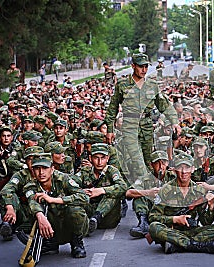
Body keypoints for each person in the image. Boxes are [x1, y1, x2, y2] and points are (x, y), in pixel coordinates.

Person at [104, 53, 179, 182]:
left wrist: (174, 122)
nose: (144, 70)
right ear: (133, 66)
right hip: (129, 125)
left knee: (148, 160)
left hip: (147, 126)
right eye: (140, 67)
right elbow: (113, 108)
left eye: (146, 67)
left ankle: (147, 192)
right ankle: (138, 189)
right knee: (136, 160)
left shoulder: (152, 85)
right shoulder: (122, 84)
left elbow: (164, 105)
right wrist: (110, 129)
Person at [148, 152, 214, 254]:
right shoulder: (165, 190)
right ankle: (196, 245)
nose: (183, 171)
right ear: (174, 170)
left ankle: (178, 245)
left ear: (193, 169)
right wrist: (174, 219)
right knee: (154, 227)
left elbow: (206, 222)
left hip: (193, 231)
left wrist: (211, 206)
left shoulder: (199, 191)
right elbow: (153, 217)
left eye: (187, 167)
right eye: (180, 167)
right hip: (172, 231)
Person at [23, 152, 89, 258]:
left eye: (45, 168)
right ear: (33, 171)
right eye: (37, 168)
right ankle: (49, 243)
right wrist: (40, 217)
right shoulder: (30, 186)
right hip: (49, 227)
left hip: (69, 225)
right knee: (33, 212)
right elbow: (32, 202)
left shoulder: (63, 179)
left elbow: (84, 197)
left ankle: (76, 242)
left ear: (52, 169)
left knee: (75, 210)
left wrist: (54, 200)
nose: (41, 172)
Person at [75, 143, 127, 234]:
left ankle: (96, 217)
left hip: (109, 217)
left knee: (112, 193)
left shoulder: (111, 171)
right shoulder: (85, 172)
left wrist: (101, 190)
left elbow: (123, 187)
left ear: (107, 158)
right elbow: (70, 184)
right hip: (90, 213)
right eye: (96, 158)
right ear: (90, 159)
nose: (99, 162)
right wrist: (82, 191)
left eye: (102, 158)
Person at [126, 150, 176, 238]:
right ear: (151, 165)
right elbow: (129, 193)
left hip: (168, 210)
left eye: (163, 163)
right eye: (157, 163)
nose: (161, 167)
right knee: (139, 196)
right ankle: (143, 223)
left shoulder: (173, 177)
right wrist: (148, 192)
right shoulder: (145, 178)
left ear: (167, 163)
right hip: (151, 209)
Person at [0, 146, 43, 241]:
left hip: (42, 209)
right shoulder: (21, 175)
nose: (32, 162)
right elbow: (6, 190)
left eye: (35, 158)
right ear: (25, 161)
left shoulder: (47, 173)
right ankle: (8, 224)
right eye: (29, 159)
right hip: (24, 211)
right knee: (10, 196)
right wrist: (10, 207)